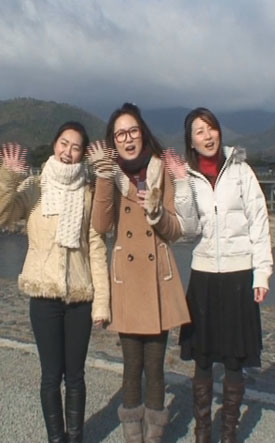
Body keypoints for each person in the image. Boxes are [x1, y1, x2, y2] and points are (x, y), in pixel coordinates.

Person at [0, 122, 110, 443]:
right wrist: (7, 178)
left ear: (83, 154)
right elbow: (2, 216)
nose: (68, 152)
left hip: (80, 298)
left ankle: (76, 437)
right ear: (54, 144)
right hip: (43, 295)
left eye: (75, 147)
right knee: (50, 377)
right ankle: (56, 439)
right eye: (63, 143)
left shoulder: (88, 194)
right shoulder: (36, 187)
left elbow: (96, 249)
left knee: (75, 376)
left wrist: (102, 304)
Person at [165, 107, 273, 443]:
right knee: (202, 359)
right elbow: (186, 230)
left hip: (240, 275)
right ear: (191, 141)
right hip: (205, 276)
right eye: (199, 132)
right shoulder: (188, 177)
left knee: (234, 360)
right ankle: (202, 432)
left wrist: (262, 274)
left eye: (211, 128)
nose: (208, 136)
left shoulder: (241, 170)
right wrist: (181, 183)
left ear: (219, 132)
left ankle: (228, 432)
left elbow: (259, 221)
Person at [89, 103, 190, 443]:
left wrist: (156, 211)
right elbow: (101, 225)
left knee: (156, 367)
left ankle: (155, 435)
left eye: (132, 131)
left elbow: (175, 230)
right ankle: (133, 434)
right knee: (132, 367)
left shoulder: (161, 171)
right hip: (128, 283)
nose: (128, 138)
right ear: (112, 140)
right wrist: (103, 176)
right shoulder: (110, 173)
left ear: (143, 132)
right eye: (120, 134)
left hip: (158, 282)